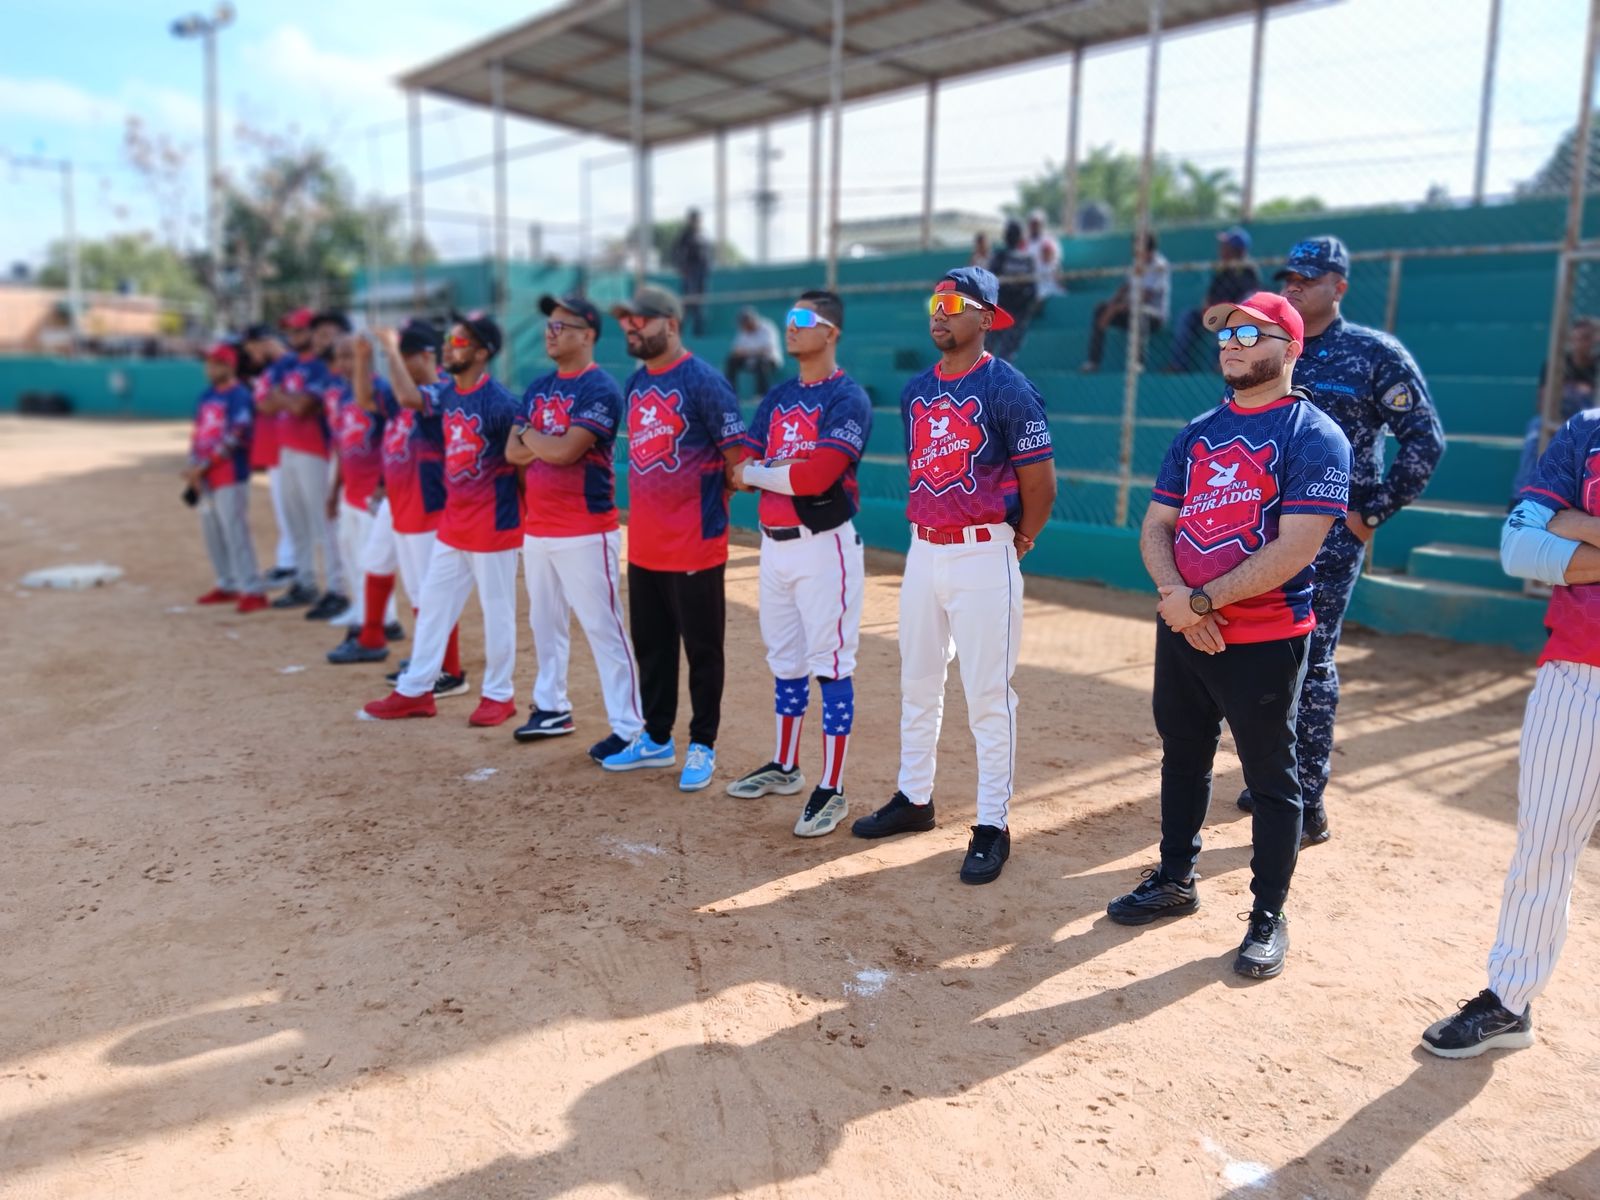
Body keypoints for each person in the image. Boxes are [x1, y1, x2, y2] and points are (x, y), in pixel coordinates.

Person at [1105, 292, 1352, 980]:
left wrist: (1204, 599)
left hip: (1266, 635)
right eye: (1225, 333)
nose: (1233, 343)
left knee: (1271, 779)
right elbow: (1157, 526)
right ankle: (1175, 879)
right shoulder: (1198, 431)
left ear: (1291, 347)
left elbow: (1297, 547)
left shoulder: (1314, 435)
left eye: (1252, 332)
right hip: (1184, 626)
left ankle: (1268, 916)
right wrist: (1179, 603)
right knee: (1182, 756)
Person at [849, 267, 1056, 885]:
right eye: (933, 300)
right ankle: (915, 798)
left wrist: (1017, 541)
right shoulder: (917, 390)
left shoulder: (1009, 388)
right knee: (918, 681)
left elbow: (1041, 485)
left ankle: (992, 822)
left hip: (983, 551)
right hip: (924, 551)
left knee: (989, 693)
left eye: (954, 303)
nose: (939, 312)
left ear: (987, 317)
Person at [1236, 236, 1445, 842]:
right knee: (1262, 655)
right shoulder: (1269, 349)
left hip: (1329, 536)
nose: (1294, 285)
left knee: (1312, 658)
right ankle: (1272, 775)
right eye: (1288, 278)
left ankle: (1306, 796)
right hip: (1258, 529)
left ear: (1339, 286)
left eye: (1308, 277)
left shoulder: (1374, 354)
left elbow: (1424, 440)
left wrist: (1367, 515)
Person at [1421, 407, 1600, 1056]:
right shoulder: (1588, 430)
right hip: (1579, 672)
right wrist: (1555, 526)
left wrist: (1578, 526)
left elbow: (1555, 533)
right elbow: (1521, 546)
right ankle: (1510, 1001)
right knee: (1544, 845)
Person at [725, 290, 872, 838]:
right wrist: (765, 469)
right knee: (784, 659)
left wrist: (763, 471)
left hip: (823, 544)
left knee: (830, 662)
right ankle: (786, 766)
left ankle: (831, 787)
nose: (790, 326)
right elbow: (740, 465)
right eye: (787, 318)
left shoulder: (847, 398)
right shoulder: (781, 394)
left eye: (803, 319)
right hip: (773, 543)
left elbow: (815, 478)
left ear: (831, 331)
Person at [600, 285, 747, 791]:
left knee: (702, 651)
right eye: (626, 322)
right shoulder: (636, 383)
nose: (631, 329)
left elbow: (737, 462)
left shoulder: (704, 381)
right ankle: (656, 738)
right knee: (653, 649)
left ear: (672, 323)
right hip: (644, 544)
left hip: (694, 544)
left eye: (640, 320)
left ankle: (702, 744)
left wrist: (713, 499)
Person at [361, 312, 523, 726]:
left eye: (461, 341)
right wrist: (390, 349)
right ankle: (416, 691)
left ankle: (499, 695)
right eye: (450, 339)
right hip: (455, 524)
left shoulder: (502, 403)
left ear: (483, 352)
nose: (450, 346)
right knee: (433, 605)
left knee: (497, 610)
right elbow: (409, 398)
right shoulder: (448, 392)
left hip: (493, 523)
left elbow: (524, 467)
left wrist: (523, 518)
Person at [505, 293, 644, 762]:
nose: (551, 331)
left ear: (587, 336)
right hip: (538, 525)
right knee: (544, 623)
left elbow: (565, 452)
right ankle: (551, 707)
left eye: (562, 326)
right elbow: (513, 452)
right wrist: (540, 440)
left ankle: (630, 726)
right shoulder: (539, 385)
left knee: (604, 628)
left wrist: (533, 438)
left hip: (585, 528)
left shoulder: (599, 387)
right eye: (549, 324)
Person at [354, 320, 471, 697]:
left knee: (431, 595)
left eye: (403, 357)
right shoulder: (404, 392)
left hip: (428, 505)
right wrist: (362, 358)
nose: (395, 365)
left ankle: (447, 670)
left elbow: (407, 398)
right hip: (402, 503)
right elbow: (367, 399)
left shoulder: (439, 391)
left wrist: (388, 348)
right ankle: (429, 661)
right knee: (417, 592)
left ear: (425, 356)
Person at [322, 334, 403, 664]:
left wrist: (384, 484)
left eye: (350, 357)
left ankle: (385, 620)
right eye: (340, 357)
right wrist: (334, 490)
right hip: (350, 490)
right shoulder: (343, 396)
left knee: (373, 559)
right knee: (352, 555)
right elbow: (342, 447)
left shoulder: (380, 391)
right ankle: (364, 614)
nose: (344, 363)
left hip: (374, 490)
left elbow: (385, 430)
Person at [266, 310, 352, 619]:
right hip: (288, 446)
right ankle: (304, 580)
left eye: (320, 333)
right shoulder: (292, 364)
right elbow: (265, 402)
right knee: (295, 520)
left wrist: (284, 398)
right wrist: (289, 399)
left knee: (324, 522)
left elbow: (302, 406)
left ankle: (337, 588)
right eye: (314, 333)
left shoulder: (326, 368)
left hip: (317, 450)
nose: (314, 339)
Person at [184, 342, 267, 612]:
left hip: (229, 473)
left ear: (229, 365)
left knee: (235, 531)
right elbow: (197, 434)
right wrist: (193, 466)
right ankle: (227, 582)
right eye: (208, 363)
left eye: (215, 363)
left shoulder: (239, 395)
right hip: (205, 475)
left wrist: (205, 464)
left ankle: (252, 589)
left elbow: (237, 434)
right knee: (212, 531)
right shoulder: (206, 395)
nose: (209, 368)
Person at [1509, 316, 1597, 503]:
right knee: (1536, 427)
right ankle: (1520, 497)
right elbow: (1542, 404)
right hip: (1560, 419)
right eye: (1578, 338)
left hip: (1589, 425)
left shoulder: (1597, 367)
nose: (1581, 343)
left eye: (1587, 337)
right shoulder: (1555, 365)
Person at [240, 321, 297, 584]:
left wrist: (268, 402)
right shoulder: (272, 368)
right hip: (275, 445)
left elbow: (274, 404)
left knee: (292, 509)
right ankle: (288, 562)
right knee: (282, 508)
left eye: (251, 348)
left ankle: (294, 566)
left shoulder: (289, 364)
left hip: (290, 444)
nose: (250, 355)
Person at [1163, 226, 1261, 372]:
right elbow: (1210, 294)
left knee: (1224, 326)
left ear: (1236, 250)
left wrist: (1223, 311)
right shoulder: (1223, 269)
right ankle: (1178, 364)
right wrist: (1206, 306)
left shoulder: (1248, 271)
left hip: (1232, 316)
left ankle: (1221, 364)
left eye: (1226, 246)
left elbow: (1246, 301)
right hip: (1214, 312)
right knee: (1187, 317)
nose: (1221, 249)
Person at [1082, 231, 1170, 372]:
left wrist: (1117, 308)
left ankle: (1138, 364)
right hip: (1129, 309)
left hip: (1153, 315)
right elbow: (1126, 287)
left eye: (1137, 247)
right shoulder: (1136, 263)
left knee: (1139, 313)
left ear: (1149, 249)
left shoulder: (1159, 265)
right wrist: (1112, 304)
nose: (1134, 251)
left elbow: (1146, 297)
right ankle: (1093, 362)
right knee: (1100, 310)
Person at [986, 219, 1037, 363]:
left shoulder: (1004, 257)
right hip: (1007, 310)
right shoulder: (1026, 259)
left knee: (995, 350)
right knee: (1001, 352)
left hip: (1007, 310)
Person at [724, 306, 784, 398]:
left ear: (753, 320)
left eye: (747, 323)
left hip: (770, 360)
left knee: (762, 362)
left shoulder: (768, 327)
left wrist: (747, 352)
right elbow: (735, 351)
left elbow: (766, 350)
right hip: (751, 360)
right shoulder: (743, 331)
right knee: (732, 361)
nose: (745, 326)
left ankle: (762, 395)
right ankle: (731, 393)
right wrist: (751, 352)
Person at [671, 209, 711, 337]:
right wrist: (681, 268)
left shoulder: (703, 235)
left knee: (699, 305)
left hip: (702, 273)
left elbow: (707, 255)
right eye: (694, 219)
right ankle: (679, 333)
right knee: (688, 302)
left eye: (698, 219)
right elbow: (676, 252)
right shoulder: (685, 235)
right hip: (691, 272)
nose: (696, 222)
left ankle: (698, 334)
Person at [1025, 208, 1064, 310]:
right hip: (1030, 281)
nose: (1035, 226)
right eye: (1033, 223)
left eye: (1037, 223)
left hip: (1048, 280)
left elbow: (1055, 263)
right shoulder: (1025, 242)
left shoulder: (1049, 241)